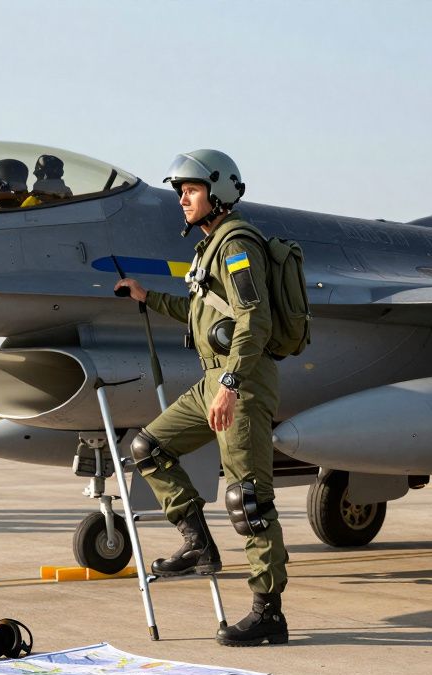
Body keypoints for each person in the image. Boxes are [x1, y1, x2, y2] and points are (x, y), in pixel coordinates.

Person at [113, 149, 290, 647]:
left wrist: (231, 387)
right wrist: (148, 298)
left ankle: (268, 612)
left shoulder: (237, 244)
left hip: (243, 382)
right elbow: (203, 316)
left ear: (219, 191)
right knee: (147, 448)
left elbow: (254, 321)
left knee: (248, 499)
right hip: (212, 380)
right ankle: (199, 546)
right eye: (180, 192)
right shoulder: (208, 248)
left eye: (190, 190)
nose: (182, 200)